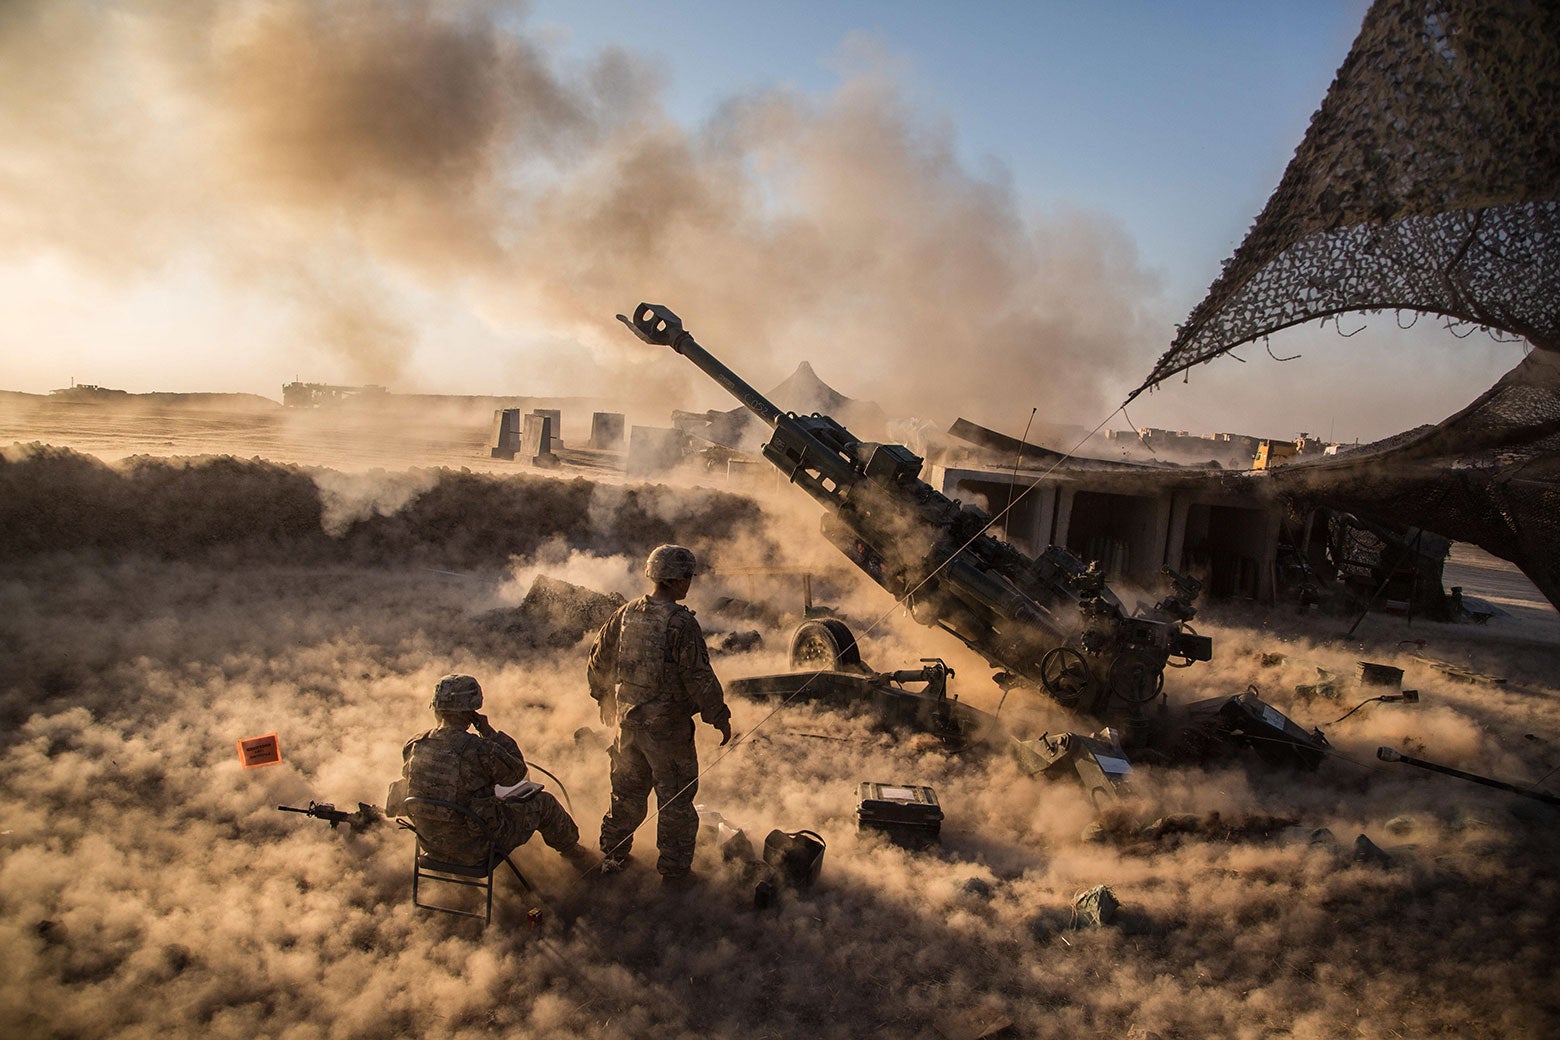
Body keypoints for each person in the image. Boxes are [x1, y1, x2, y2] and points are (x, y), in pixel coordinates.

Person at [587, 544, 731, 884]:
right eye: (688, 578)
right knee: (676, 800)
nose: (689, 583)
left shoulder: (625, 614)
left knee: (626, 791)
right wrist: (718, 715)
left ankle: (613, 853)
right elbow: (698, 676)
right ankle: (675, 872)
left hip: (628, 724)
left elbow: (598, 659)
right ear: (679, 581)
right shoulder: (681, 624)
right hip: (667, 732)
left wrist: (603, 697)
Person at [400, 673, 595, 873]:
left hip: (432, 846)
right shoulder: (479, 749)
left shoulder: (415, 745)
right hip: (476, 847)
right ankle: (577, 856)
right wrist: (488, 732)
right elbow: (517, 773)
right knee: (544, 803)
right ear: (468, 713)